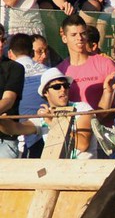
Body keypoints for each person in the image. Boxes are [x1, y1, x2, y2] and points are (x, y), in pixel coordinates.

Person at [0, 67, 97, 159]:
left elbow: (83, 144)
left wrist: (52, 123)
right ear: (45, 92)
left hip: (84, 171)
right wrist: (3, 123)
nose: (63, 89)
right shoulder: (44, 116)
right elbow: (15, 128)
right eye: (57, 87)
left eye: (66, 86)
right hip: (59, 172)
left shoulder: (82, 108)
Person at [57, 14, 115, 110]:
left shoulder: (105, 64)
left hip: (103, 123)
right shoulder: (60, 71)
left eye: (83, 33)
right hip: (73, 123)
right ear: (64, 38)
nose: (79, 38)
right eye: (73, 35)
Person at [8, 33, 47, 157]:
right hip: (48, 133)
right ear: (31, 52)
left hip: (21, 137)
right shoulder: (48, 71)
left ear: (10, 53)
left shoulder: (7, 74)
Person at [0, 24, 25, 158]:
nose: (0, 44)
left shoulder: (14, 68)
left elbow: (8, 101)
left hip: (4, 141)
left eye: (2, 40)